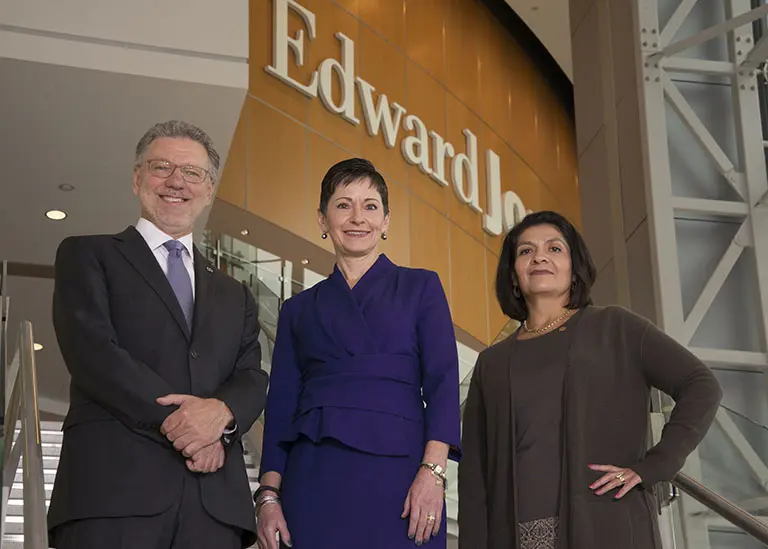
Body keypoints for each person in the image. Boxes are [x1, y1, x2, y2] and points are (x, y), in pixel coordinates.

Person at [48, 120, 268, 549]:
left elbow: (252, 377)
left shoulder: (235, 293)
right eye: (161, 166)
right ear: (137, 179)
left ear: (208, 190)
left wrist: (219, 418)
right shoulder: (87, 254)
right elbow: (93, 352)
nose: (176, 182)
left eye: (192, 173)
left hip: (213, 508)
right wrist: (186, 426)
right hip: (113, 494)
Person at [458, 210, 723, 549]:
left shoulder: (616, 328)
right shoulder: (491, 363)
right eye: (525, 251)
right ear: (513, 274)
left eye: (554, 249)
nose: (539, 256)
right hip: (513, 536)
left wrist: (656, 465)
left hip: (606, 527)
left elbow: (701, 383)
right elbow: (475, 476)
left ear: (574, 269)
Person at [255, 158, 461, 549]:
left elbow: (443, 384)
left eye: (370, 206)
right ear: (322, 219)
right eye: (343, 204)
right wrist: (268, 496)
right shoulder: (297, 311)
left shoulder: (421, 287)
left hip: (403, 479)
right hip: (313, 477)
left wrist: (433, 473)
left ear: (385, 222)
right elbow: (281, 407)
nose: (357, 218)